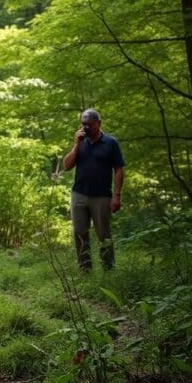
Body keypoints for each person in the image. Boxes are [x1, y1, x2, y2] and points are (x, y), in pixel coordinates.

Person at [62, 108, 125, 271]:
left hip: (102, 197)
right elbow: (66, 166)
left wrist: (116, 196)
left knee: (104, 235)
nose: (86, 127)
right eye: (83, 124)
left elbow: (119, 169)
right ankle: (85, 270)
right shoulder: (80, 142)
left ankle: (108, 269)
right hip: (79, 194)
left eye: (89, 124)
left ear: (99, 123)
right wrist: (76, 144)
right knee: (80, 233)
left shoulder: (111, 142)